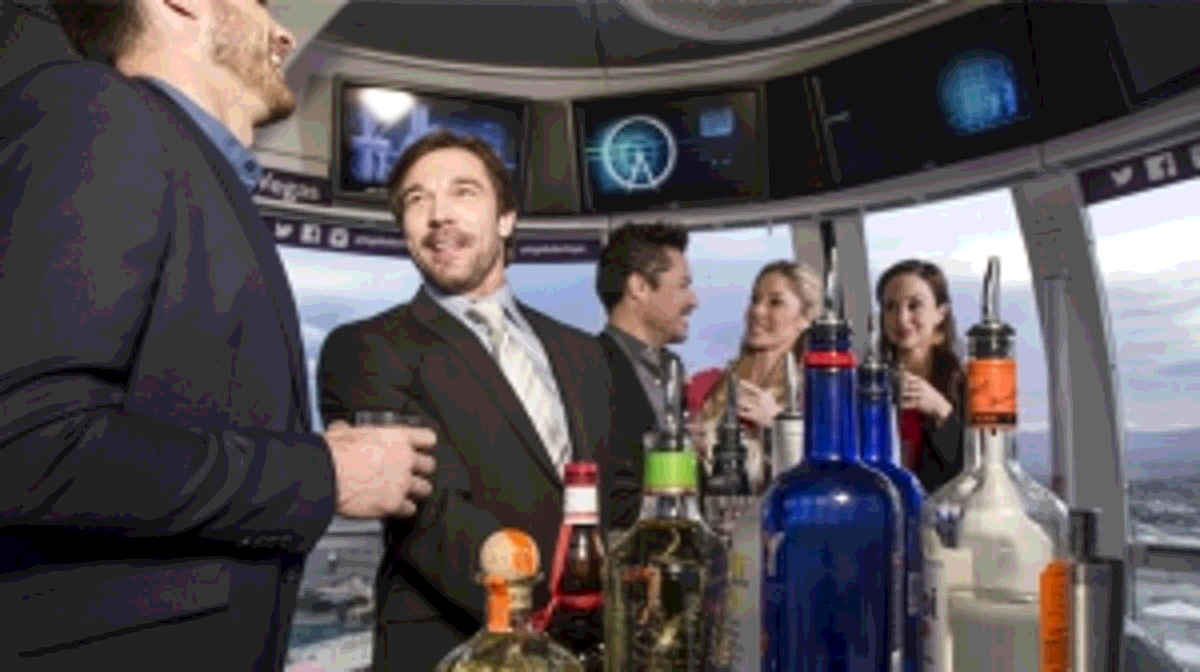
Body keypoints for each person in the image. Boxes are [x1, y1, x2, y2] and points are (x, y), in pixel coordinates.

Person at [0, 1, 436, 670]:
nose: (285, 33)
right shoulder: (98, 113)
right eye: (261, 3)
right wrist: (323, 472)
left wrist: (308, 452)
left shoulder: (183, 168)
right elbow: (29, 446)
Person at [317, 130, 613, 672]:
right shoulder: (367, 348)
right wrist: (541, 623)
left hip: (595, 642)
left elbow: (615, 493)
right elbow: (429, 513)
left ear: (506, 218)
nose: (438, 215)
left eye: (463, 192)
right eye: (416, 199)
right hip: (451, 645)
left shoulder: (583, 353)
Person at [594, 222, 697, 530]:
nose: (694, 301)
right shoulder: (590, 367)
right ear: (638, 287)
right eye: (683, 286)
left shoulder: (673, 370)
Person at [689, 260, 821, 491]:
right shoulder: (707, 385)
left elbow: (822, 476)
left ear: (805, 318)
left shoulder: (817, 392)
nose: (757, 311)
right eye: (755, 300)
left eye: (775, 302)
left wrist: (776, 426)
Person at [876, 259, 966, 493]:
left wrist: (942, 411)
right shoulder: (870, 384)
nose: (902, 318)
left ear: (940, 313)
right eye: (890, 307)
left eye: (914, 305)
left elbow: (978, 471)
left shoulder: (964, 382)